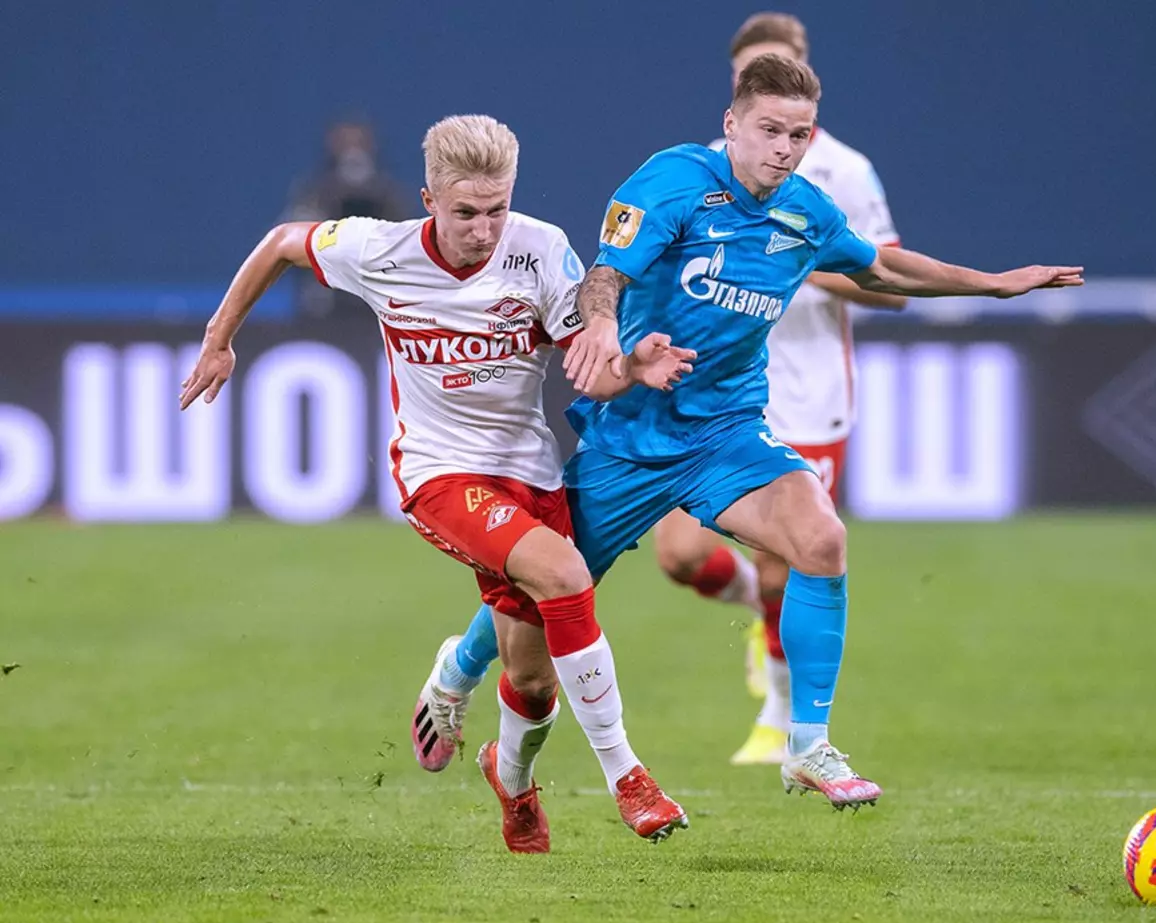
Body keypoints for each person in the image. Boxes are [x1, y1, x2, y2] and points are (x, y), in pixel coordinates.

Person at [435, 56, 1081, 811]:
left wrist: (994, 283)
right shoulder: (674, 181)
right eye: (770, 130)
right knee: (532, 595)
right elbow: (606, 274)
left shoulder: (807, 213)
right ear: (732, 124)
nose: (783, 148)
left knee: (821, 540)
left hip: (727, 434)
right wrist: (603, 328)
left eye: (798, 135)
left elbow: (880, 270)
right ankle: (456, 670)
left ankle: (807, 744)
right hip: (630, 439)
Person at [179, 114, 693, 853]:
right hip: (439, 472)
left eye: (497, 210)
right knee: (565, 574)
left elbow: (592, 370)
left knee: (535, 682)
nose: (484, 230)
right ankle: (628, 778)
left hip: (529, 473)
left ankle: (507, 772)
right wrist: (218, 338)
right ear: (428, 201)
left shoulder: (542, 250)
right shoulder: (377, 249)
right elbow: (282, 243)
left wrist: (632, 369)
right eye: (465, 213)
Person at [651, 11, 909, 767]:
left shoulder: (844, 172)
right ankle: (760, 615)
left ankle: (779, 716)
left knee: (784, 558)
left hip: (808, 389)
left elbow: (891, 285)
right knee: (680, 555)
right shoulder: (705, 170)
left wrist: (796, 262)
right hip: (715, 390)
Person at [282, 120, 415, 319]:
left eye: (358, 143)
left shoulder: (389, 195)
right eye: (345, 143)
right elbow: (291, 239)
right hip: (326, 298)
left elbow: (407, 242)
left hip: (378, 297)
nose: (352, 152)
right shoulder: (315, 193)